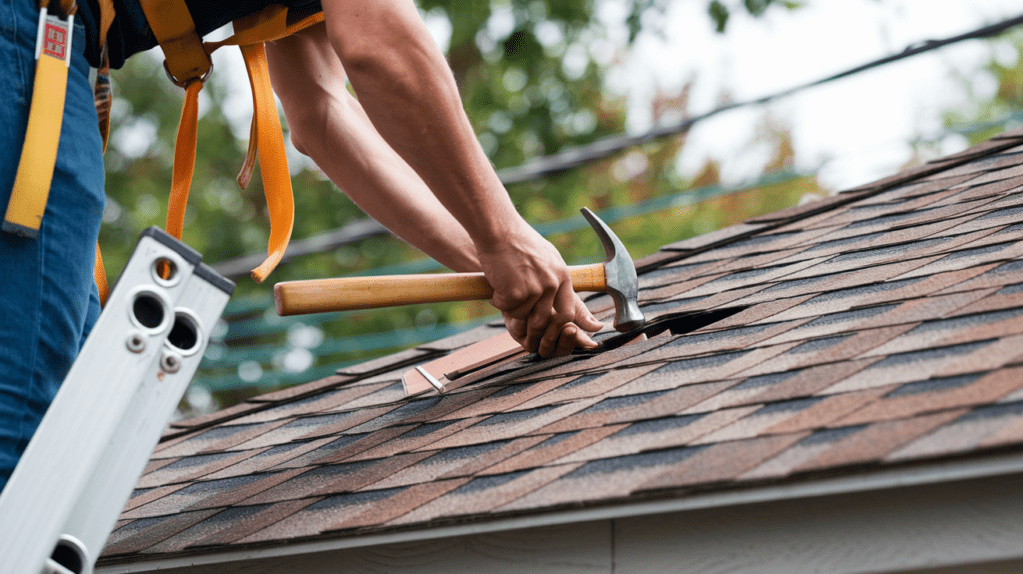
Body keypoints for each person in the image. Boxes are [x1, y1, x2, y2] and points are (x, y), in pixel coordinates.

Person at [0, 0, 603, 491]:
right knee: (24, 449)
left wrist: (494, 261)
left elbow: (321, 111)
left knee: (66, 447)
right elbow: (378, 45)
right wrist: (504, 235)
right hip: (28, 37)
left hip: (46, 46)